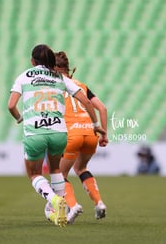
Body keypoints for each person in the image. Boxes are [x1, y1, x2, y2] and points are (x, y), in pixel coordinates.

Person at [8, 44, 107, 227]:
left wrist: (20, 118)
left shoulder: (24, 76)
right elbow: (89, 102)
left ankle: (58, 201)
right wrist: (96, 125)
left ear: (32, 61)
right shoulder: (63, 79)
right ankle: (67, 209)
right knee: (60, 170)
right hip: (62, 132)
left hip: (38, 131)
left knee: (35, 173)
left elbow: (11, 105)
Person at [52, 51, 109, 224]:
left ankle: (73, 205)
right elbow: (102, 108)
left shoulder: (54, 85)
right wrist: (103, 132)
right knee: (81, 168)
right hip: (90, 132)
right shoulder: (82, 86)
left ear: (53, 68)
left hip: (72, 133)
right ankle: (99, 203)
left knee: (59, 175)